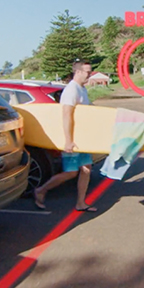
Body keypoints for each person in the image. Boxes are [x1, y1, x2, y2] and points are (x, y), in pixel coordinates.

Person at [34, 59, 97, 212]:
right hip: (72, 138)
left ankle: (81, 203)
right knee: (71, 172)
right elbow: (66, 115)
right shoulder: (71, 90)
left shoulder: (82, 89)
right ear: (79, 72)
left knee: (86, 169)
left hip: (82, 138)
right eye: (88, 72)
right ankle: (41, 190)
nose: (90, 75)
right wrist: (68, 140)